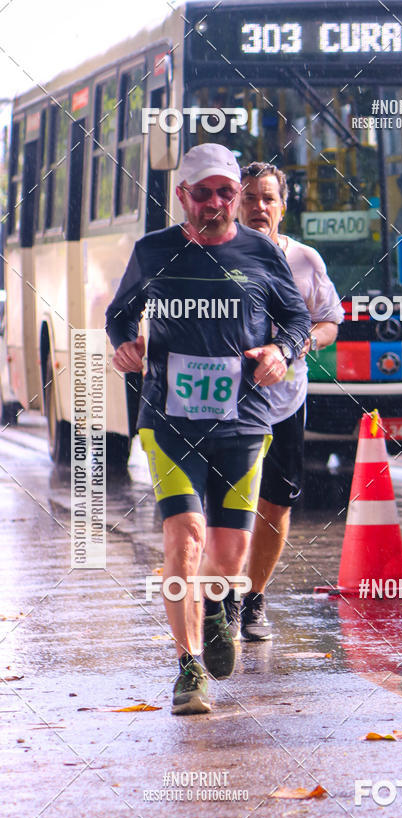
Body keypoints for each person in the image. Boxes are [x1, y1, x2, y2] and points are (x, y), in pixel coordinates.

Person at [105, 145, 310, 715]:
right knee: (184, 537)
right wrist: (125, 344)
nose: (218, 203)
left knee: (228, 553)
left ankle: (219, 601)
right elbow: (119, 313)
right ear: (182, 197)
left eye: (227, 192)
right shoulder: (154, 252)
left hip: (243, 421)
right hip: (169, 420)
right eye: (205, 193)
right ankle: (188, 667)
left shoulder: (261, 253)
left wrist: (280, 349)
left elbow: (296, 319)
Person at [234, 161, 344, 641]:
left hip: (285, 403)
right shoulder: (216, 254)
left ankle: (253, 599)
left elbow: (330, 321)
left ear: (283, 205)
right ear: (236, 202)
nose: (259, 207)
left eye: (268, 199)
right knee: (229, 506)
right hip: (228, 405)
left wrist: (300, 343)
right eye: (251, 197)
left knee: (275, 506)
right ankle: (221, 599)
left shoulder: (305, 260)